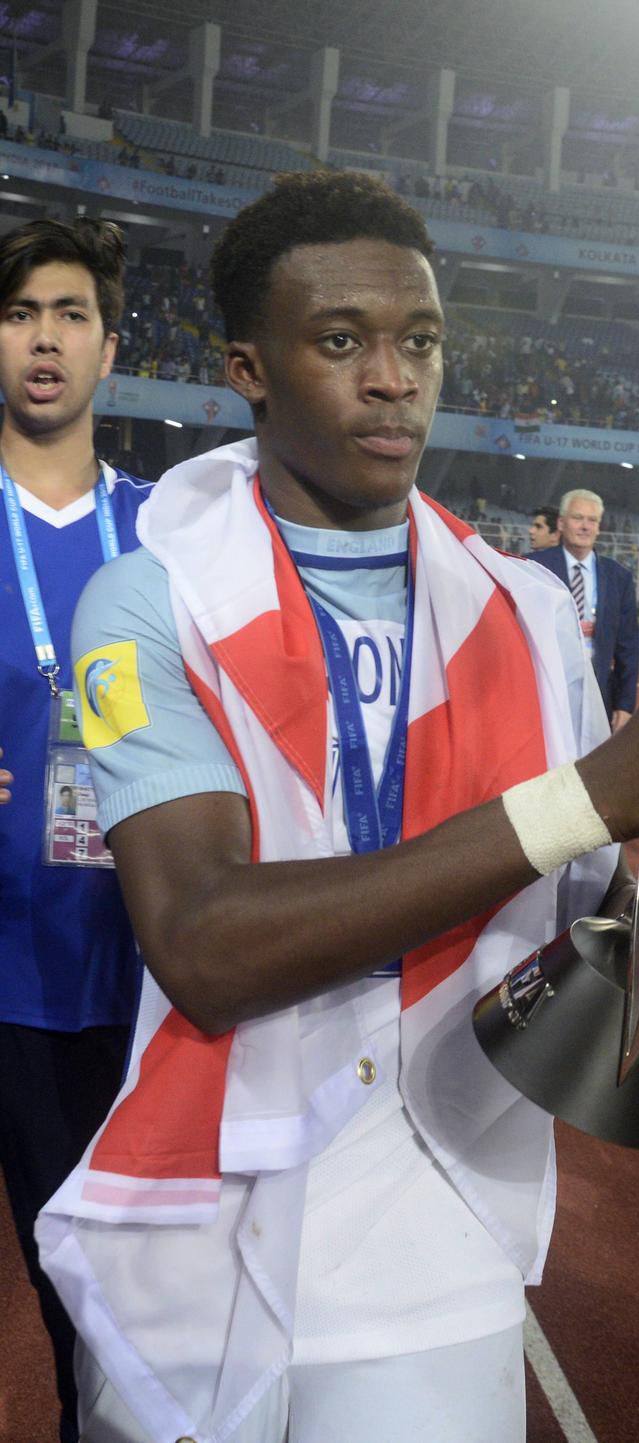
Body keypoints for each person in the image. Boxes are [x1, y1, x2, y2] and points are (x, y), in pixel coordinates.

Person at [40, 171, 639, 1443]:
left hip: (435, 1205)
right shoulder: (146, 603)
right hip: (202, 1192)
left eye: (420, 340)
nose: (393, 377)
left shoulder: (526, 612)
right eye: (340, 341)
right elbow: (204, 947)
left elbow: (582, 913)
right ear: (246, 366)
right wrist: (586, 797)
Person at [0, 216, 151, 1443]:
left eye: (68, 316)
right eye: (17, 315)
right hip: (0, 973)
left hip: (140, 981)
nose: (42, 340)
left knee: (101, 1316)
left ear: (110, 349)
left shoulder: (175, 536)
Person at [530, 487, 639, 732]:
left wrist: (625, 705)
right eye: (578, 518)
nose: (585, 526)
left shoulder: (618, 577)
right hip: (546, 692)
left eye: (592, 520)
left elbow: (628, 647)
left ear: (599, 527)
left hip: (598, 692)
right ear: (561, 523)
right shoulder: (535, 567)